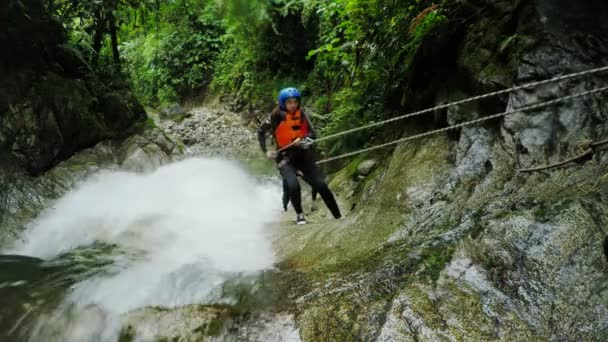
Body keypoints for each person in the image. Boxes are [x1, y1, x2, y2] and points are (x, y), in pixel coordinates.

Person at [258, 87, 341, 225]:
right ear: (283, 103)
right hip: (285, 157)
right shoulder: (275, 115)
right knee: (293, 184)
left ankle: (338, 216)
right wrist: (266, 150)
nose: (293, 105)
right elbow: (261, 131)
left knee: (321, 185)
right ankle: (300, 215)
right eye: (289, 102)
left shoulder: (302, 114)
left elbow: (312, 133)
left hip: (303, 156)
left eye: (295, 102)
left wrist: (304, 140)